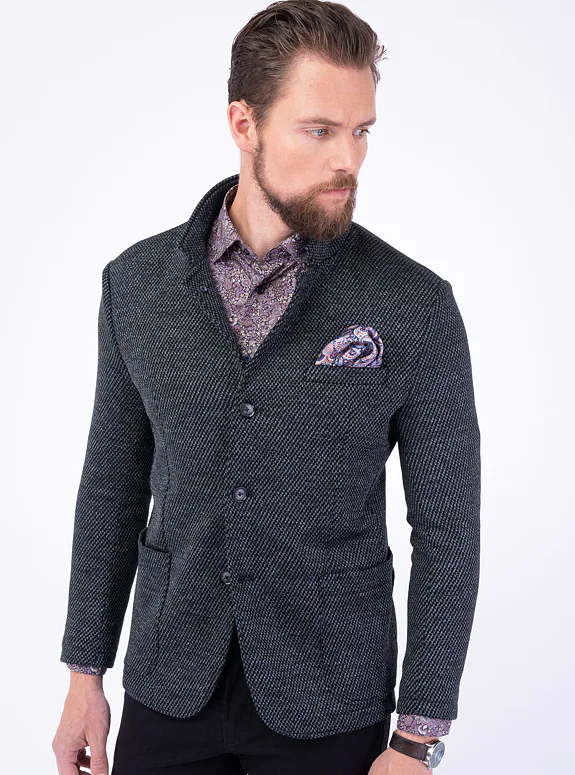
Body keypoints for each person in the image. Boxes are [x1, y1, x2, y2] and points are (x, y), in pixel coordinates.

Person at [52, 2, 481, 773]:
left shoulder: (412, 304)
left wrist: (416, 738)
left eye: (361, 131)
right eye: (319, 130)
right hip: (168, 683)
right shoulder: (136, 286)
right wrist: (85, 673)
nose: (347, 159)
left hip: (329, 699)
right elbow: (111, 485)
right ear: (242, 123)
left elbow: (447, 531)